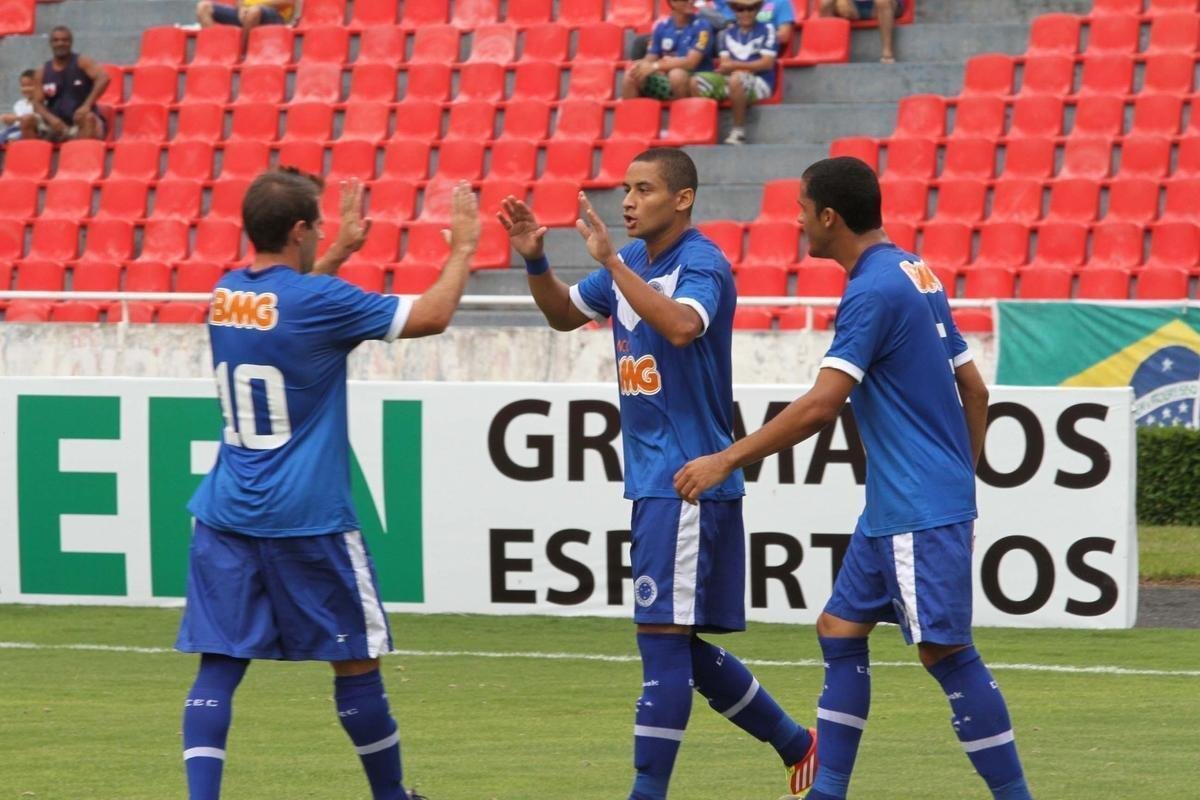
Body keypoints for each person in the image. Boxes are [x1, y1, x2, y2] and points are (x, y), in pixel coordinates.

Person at [674, 157, 1034, 800]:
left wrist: (725, 459)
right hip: (902, 507)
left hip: (915, 507)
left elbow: (820, 406)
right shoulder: (915, 271)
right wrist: (961, 483)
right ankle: (826, 791)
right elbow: (973, 390)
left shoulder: (870, 290)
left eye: (802, 208)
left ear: (829, 217)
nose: (797, 220)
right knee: (839, 628)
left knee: (946, 654)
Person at [497, 147, 819, 800]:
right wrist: (535, 258)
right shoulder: (636, 264)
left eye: (644, 189)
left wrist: (611, 262)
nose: (628, 202)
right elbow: (563, 314)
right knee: (675, 647)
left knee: (660, 645)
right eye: (625, 188)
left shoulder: (701, 264)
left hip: (688, 481)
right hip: (657, 484)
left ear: (682, 199)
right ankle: (796, 744)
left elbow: (679, 327)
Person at [175, 169, 481, 800]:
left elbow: (285, 310)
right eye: (314, 227)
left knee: (219, 664)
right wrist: (463, 251)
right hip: (306, 516)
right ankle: (391, 797)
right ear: (297, 231)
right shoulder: (318, 303)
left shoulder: (224, 294)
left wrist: (338, 250)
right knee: (355, 661)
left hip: (227, 512)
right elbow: (431, 315)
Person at [691, 1, 778, 145]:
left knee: (736, 79)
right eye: (740, 8)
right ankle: (704, 129)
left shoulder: (768, 29)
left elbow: (767, 63)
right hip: (733, 79)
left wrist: (735, 66)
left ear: (758, 9)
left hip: (761, 82)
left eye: (751, 8)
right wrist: (739, 67)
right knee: (696, 81)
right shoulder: (725, 34)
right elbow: (725, 65)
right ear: (733, 10)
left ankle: (738, 131)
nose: (746, 13)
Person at [19, 27, 109, 142]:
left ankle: (82, 157)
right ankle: (35, 158)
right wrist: (51, 119)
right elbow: (37, 103)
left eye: (64, 40)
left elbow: (104, 78)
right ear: (51, 44)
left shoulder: (82, 62)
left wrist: (86, 106)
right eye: (56, 40)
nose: (60, 43)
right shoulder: (42, 70)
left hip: (79, 122)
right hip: (55, 124)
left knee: (88, 118)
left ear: (71, 42)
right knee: (27, 120)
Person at [622, 0, 716, 101]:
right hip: (668, 80)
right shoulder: (662, 26)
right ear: (672, 2)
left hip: (696, 79)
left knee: (677, 75)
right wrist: (642, 66)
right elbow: (651, 56)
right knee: (631, 75)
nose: (690, 1)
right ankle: (632, 115)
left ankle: (684, 114)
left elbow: (691, 63)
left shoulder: (702, 26)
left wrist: (656, 66)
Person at [818, 0, 905, 63]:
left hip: (886, 5)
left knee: (882, 1)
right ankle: (830, 52)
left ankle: (887, 53)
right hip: (854, 6)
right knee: (826, 3)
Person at [709, 0, 796, 52]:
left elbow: (784, 36)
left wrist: (757, 36)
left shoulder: (781, 2)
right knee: (705, 15)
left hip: (760, 48)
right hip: (737, 39)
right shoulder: (745, 3)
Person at [196, 0, 296, 30]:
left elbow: (288, 2)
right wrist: (241, 9)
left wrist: (258, 5)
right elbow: (240, 2)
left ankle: (243, 53)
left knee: (253, 12)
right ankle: (212, 52)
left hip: (275, 15)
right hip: (246, 12)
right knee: (203, 7)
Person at [1, 69, 36, 143]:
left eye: (30, 85)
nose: (26, 89)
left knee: (14, 136)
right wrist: (8, 120)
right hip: (14, 129)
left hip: (28, 131)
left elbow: (35, 119)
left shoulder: (41, 104)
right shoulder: (19, 104)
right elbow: (14, 122)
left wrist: (16, 118)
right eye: (23, 86)